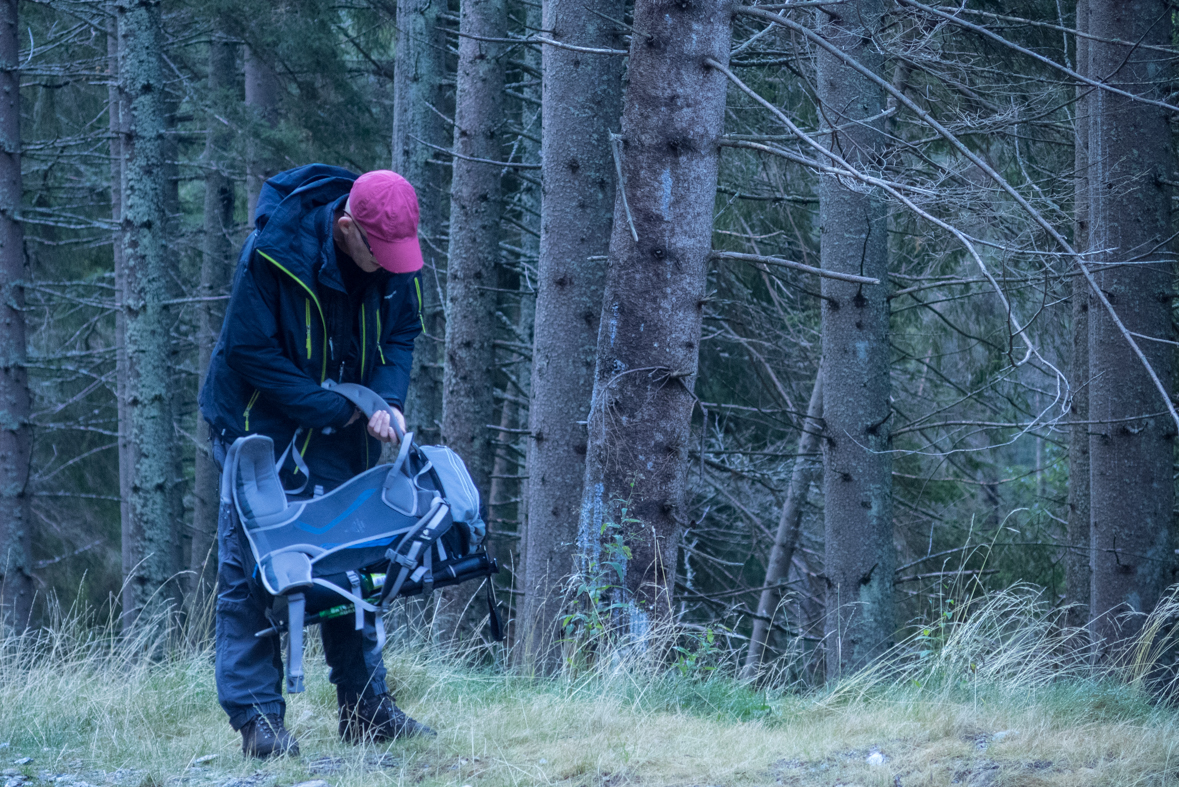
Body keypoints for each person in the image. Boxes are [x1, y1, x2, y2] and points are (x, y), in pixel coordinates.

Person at [199, 164, 433, 758]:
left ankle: (365, 710)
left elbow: (402, 333)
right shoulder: (274, 251)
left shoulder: (394, 260)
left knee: (352, 563)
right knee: (254, 567)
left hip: (340, 417)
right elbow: (247, 350)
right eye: (378, 251)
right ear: (346, 226)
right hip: (257, 422)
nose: (389, 263)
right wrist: (332, 407)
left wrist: (387, 400)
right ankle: (260, 724)